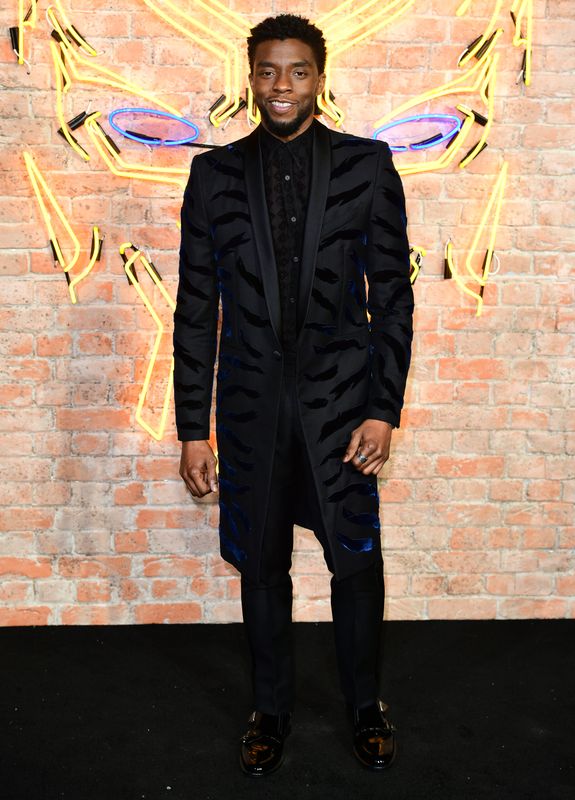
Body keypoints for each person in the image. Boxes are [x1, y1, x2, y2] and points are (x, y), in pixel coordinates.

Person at [173, 13, 414, 777]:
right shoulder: (211, 176)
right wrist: (192, 427)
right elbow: (192, 306)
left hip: (344, 406)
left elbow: (394, 299)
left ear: (321, 76)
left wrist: (382, 408)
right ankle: (268, 711)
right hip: (248, 406)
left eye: (298, 71)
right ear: (249, 77)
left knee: (355, 561)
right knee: (262, 564)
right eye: (269, 71)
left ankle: (365, 705)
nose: (283, 86)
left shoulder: (367, 165)